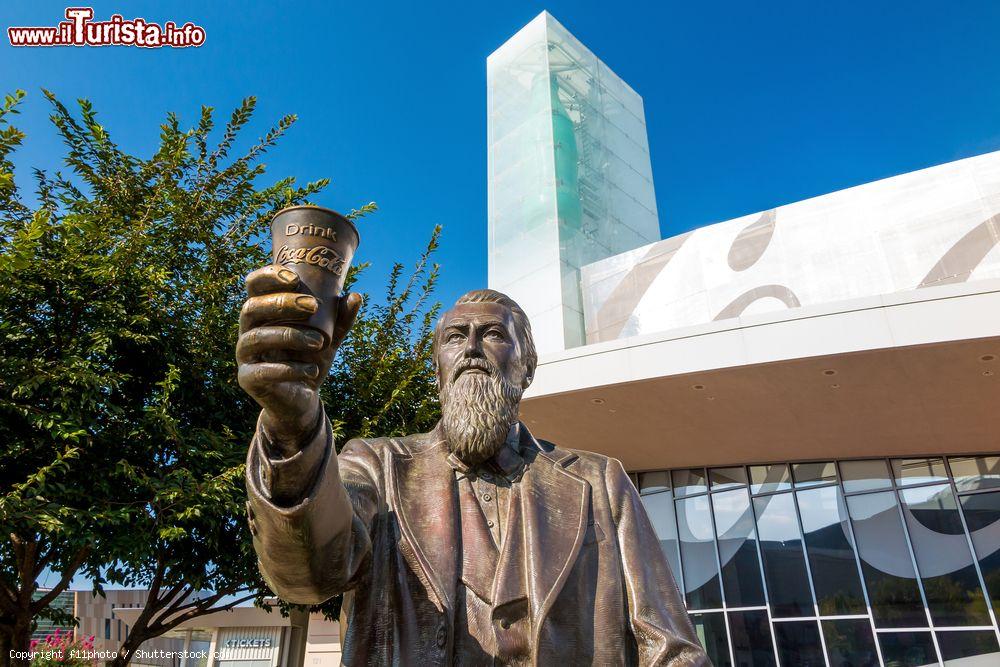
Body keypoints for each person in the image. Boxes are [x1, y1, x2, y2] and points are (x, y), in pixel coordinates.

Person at [237, 265, 708, 666]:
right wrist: (292, 423)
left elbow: (669, 648)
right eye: (455, 338)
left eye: (495, 335)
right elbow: (309, 574)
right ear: (439, 369)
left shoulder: (599, 482)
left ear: (526, 368)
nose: (472, 349)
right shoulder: (376, 465)